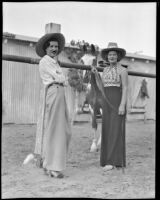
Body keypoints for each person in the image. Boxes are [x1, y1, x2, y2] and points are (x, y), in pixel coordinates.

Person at [34, 33, 72, 178]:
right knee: (56, 129)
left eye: (56, 47)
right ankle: (52, 166)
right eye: (52, 46)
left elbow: (64, 79)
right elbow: (60, 78)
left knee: (64, 129)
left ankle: (49, 163)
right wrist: (63, 78)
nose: (54, 49)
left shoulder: (54, 62)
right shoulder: (45, 61)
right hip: (54, 90)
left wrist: (63, 79)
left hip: (59, 91)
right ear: (46, 48)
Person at [91, 42, 128, 171]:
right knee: (107, 130)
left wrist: (122, 104)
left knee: (116, 130)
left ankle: (114, 161)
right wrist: (96, 74)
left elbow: (125, 88)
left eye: (114, 54)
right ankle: (108, 160)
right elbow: (102, 86)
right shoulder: (105, 70)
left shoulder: (123, 70)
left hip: (117, 101)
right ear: (107, 57)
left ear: (118, 56)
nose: (112, 57)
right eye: (109, 54)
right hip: (107, 102)